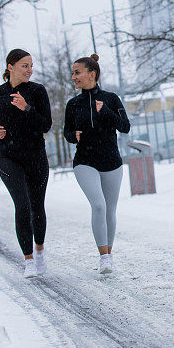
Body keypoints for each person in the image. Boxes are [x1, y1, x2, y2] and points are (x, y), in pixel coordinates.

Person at [63, 54, 130, 274]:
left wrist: (107, 112)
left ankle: (108, 256)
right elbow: (67, 132)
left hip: (111, 161)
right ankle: (103, 257)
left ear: (92, 74)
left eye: (77, 72)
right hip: (85, 161)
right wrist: (75, 136)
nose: (73, 77)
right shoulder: (73, 104)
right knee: (99, 205)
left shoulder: (111, 98)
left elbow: (125, 127)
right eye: (72, 73)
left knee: (110, 209)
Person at [0, 49, 53, 278]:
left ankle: (39, 251)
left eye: (31, 65)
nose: (29, 70)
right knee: (22, 205)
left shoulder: (37, 91)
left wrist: (26, 108)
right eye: (25, 65)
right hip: (9, 156)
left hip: (35, 155)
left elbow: (45, 124)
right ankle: (27, 260)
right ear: (10, 66)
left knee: (37, 206)